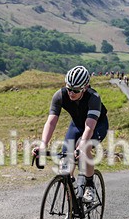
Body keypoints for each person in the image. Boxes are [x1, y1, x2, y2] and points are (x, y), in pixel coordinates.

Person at [34, 65, 109, 205]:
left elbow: (89, 127)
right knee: (65, 167)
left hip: (97, 125)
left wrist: (81, 146)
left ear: (85, 87)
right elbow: (51, 122)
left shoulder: (93, 97)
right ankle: (72, 206)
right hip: (76, 125)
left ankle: (90, 184)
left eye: (76, 90)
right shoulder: (60, 95)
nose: (71, 93)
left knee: (84, 146)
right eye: (69, 89)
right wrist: (43, 144)